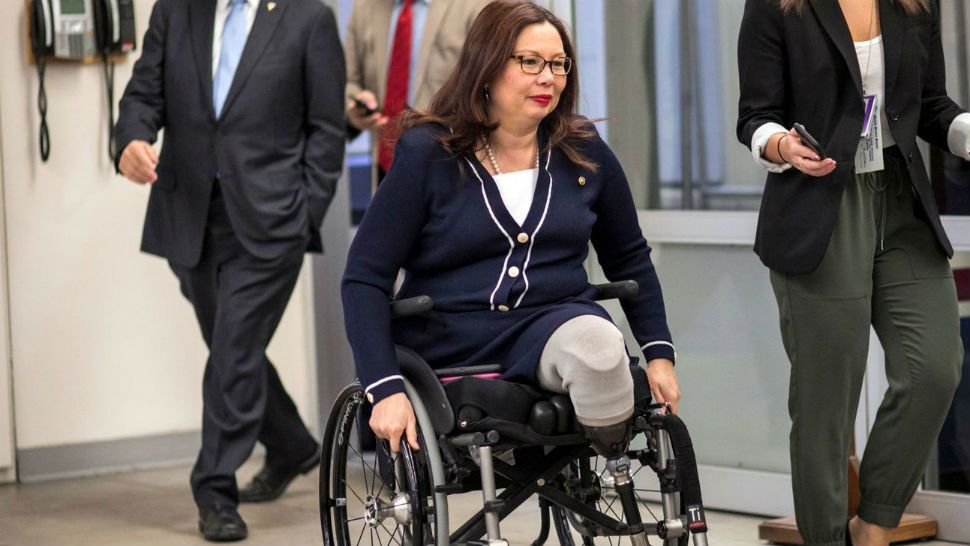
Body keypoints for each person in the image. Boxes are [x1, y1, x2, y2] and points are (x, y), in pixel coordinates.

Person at [342, 0, 682, 461]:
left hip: (552, 323)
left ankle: (611, 467)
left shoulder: (583, 151)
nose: (549, 77)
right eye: (530, 62)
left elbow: (629, 258)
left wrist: (659, 352)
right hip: (453, 339)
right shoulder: (428, 154)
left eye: (559, 64)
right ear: (486, 65)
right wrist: (383, 388)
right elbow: (364, 278)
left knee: (601, 350)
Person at [737, 1, 969, 545]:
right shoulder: (777, 5)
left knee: (934, 368)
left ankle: (875, 520)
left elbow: (929, 105)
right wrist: (781, 145)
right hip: (822, 204)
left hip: (902, 201)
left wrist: (964, 129)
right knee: (827, 399)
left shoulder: (915, 2)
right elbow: (755, 114)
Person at [114, 0, 345, 541]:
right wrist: (130, 138)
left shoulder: (308, 17)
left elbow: (326, 128)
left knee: (234, 347)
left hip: (272, 218)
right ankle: (291, 445)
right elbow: (144, 93)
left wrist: (305, 210)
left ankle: (214, 488)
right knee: (231, 348)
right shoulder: (175, 11)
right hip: (189, 212)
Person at [343, 0, 489, 187]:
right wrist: (356, 108)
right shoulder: (365, 7)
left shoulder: (477, 6)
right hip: (385, 170)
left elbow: (490, 91)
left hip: (454, 170)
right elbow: (347, 83)